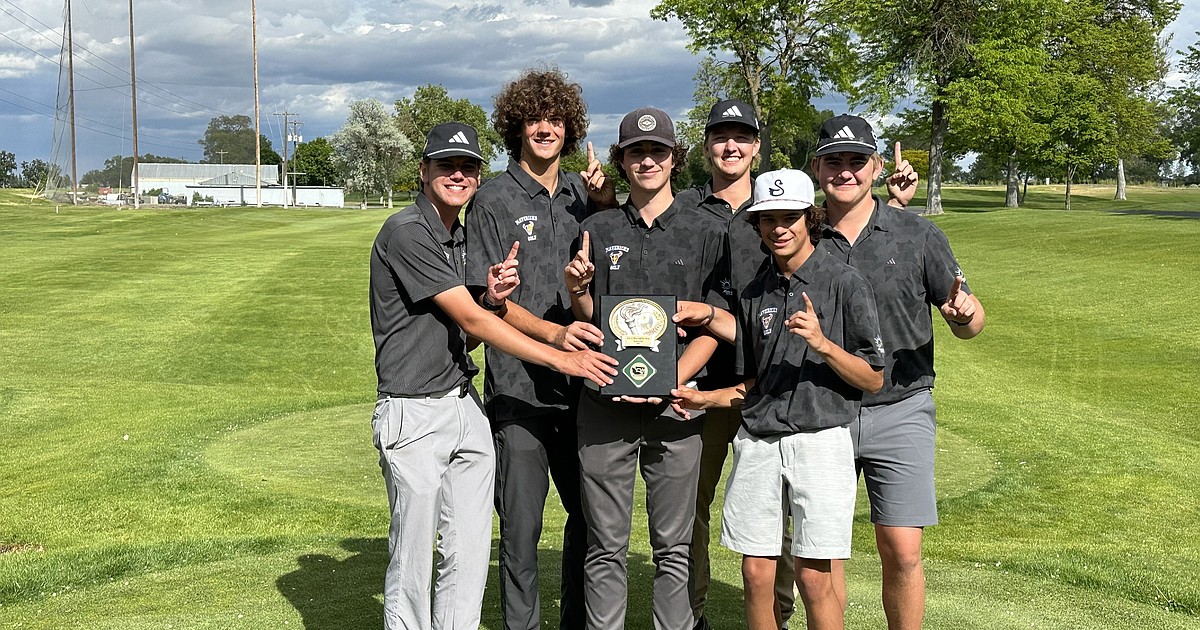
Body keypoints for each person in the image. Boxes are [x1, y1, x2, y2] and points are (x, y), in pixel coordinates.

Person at [368, 121, 617, 630]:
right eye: (446, 166)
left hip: (462, 403)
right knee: (414, 557)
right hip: (413, 407)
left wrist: (492, 297)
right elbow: (473, 320)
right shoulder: (408, 231)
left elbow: (474, 328)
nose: (457, 176)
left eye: (466, 168)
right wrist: (560, 353)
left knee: (467, 549)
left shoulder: (456, 235)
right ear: (423, 171)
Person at [671, 168, 885, 630]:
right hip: (760, 441)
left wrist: (824, 345)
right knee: (755, 573)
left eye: (790, 217)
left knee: (813, 579)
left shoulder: (845, 282)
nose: (779, 228)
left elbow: (872, 378)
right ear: (757, 225)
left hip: (823, 440)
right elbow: (756, 384)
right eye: (768, 219)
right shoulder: (755, 292)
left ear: (811, 218)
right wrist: (702, 398)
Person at [809, 114, 986, 630]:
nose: (846, 172)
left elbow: (970, 319)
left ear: (876, 166)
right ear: (818, 167)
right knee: (824, 553)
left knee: (903, 550)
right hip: (821, 408)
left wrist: (965, 314)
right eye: (835, 161)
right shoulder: (802, 232)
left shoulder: (916, 234)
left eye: (857, 161)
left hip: (902, 405)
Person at [465, 67, 615, 630]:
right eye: (534, 119)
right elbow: (487, 303)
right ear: (516, 127)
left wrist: (605, 200)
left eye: (554, 118)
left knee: (591, 522)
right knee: (522, 530)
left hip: (587, 386)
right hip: (520, 389)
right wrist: (553, 335)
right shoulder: (494, 199)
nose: (545, 127)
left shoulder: (582, 192)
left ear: (569, 126)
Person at [564, 107, 725, 630]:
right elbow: (587, 321)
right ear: (622, 160)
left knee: (674, 548)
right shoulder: (596, 227)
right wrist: (579, 291)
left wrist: (672, 378)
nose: (648, 160)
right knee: (605, 545)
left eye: (658, 151)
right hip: (605, 406)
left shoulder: (708, 231)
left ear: (675, 159)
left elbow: (715, 324)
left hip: (676, 407)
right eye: (637, 152)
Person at [676, 99, 797, 630]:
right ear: (706, 146)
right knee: (688, 510)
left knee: (782, 514)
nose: (731, 146)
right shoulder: (683, 208)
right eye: (721, 137)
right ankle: (690, 614)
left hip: (770, 382)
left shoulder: (778, 208)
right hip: (700, 383)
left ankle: (780, 614)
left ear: (755, 147)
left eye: (742, 137)